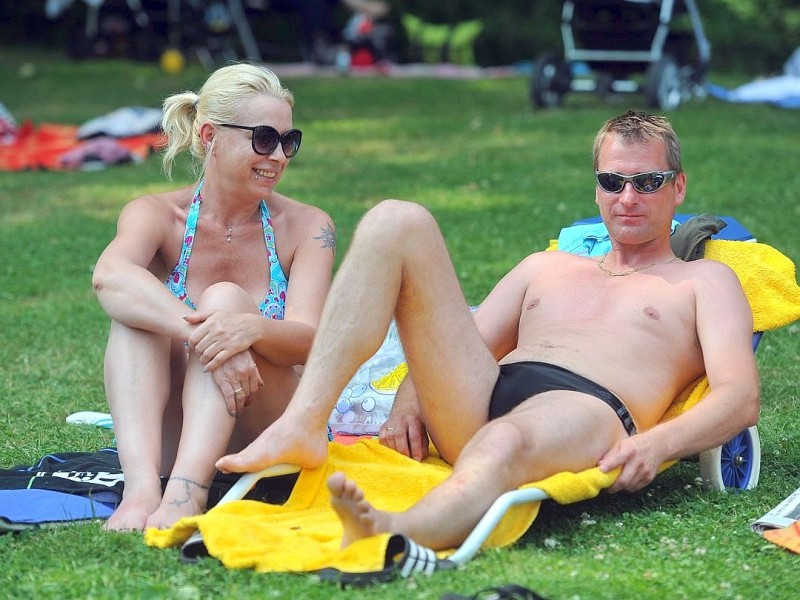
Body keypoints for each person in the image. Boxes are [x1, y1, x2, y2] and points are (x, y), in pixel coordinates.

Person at [215, 111, 759, 551]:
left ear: (678, 187)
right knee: (395, 219)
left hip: (588, 408)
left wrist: (658, 443)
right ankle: (305, 422)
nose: (628, 197)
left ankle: (395, 532)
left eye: (648, 182)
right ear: (596, 188)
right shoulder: (544, 267)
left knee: (504, 439)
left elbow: (739, 396)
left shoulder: (704, 281)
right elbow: (468, 341)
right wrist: (409, 404)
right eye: (613, 181)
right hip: (485, 394)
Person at [92, 63, 336, 532]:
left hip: (270, 434)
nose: (279, 156)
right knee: (135, 313)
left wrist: (246, 327)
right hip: (178, 433)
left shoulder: (307, 226)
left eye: (289, 141)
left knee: (225, 300)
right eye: (264, 139)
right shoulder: (157, 214)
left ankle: (186, 495)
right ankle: (142, 492)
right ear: (210, 136)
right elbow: (109, 277)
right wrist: (214, 335)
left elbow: (310, 340)